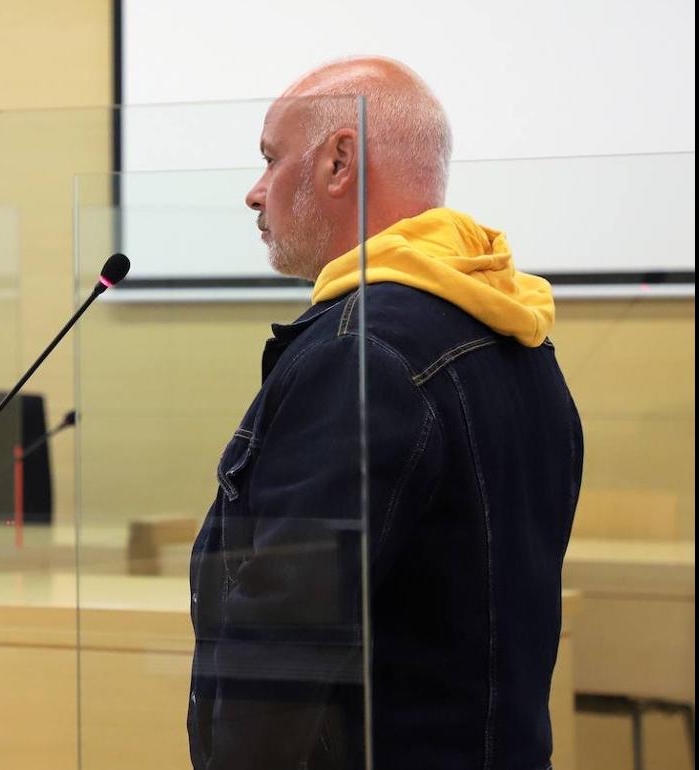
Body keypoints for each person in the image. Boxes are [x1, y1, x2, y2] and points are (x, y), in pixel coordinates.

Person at [187, 57, 584, 769]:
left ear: (340, 161)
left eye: (271, 160)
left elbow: (285, 637)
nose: (254, 192)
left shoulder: (359, 354)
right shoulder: (517, 335)